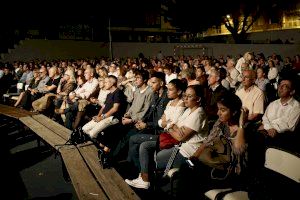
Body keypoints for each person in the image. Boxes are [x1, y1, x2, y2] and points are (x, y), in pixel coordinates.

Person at [125, 85, 208, 189]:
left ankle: (146, 180)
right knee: (144, 146)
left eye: (189, 96)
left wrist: (170, 128)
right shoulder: (188, 110)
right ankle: (143, 178)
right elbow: (175, 126)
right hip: (177, 144)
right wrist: (173, 127)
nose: (185, 98)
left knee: (149, 156)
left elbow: (180, 137)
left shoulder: (198, 114)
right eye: (185, 95)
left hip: (186, 152)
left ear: (198, 99)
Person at [176, 93, 248, 199]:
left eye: (223, 110)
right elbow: (207, 142)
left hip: (230, 172)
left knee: (194, 178)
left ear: (234, 112)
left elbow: (238, 150)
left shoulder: (244, 129)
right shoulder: (221, 123)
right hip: (214, 164)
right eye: (218, 109)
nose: (218, 113)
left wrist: (241, 124)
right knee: (187, 167)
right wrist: (194, 158)